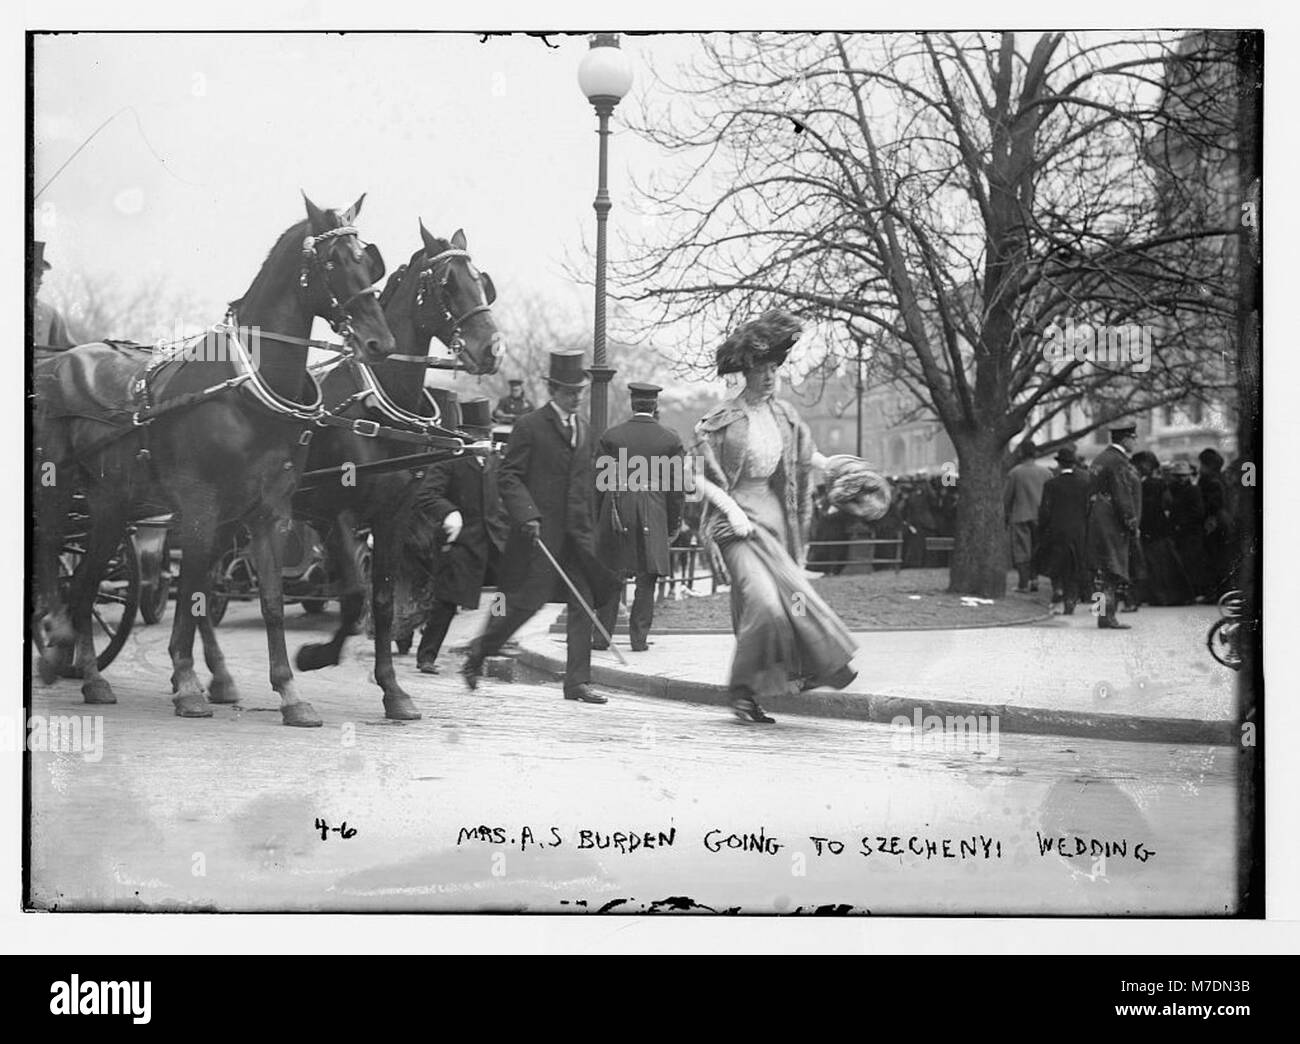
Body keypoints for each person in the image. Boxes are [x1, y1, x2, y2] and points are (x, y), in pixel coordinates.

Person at [692, 309, 889, 724]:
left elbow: (801, 455)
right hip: (735, 523)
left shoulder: (785, 415)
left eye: (773, 369)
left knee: (792, 604)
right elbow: (694, 478)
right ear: (745, 373)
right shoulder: (722, 419)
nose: (768, 377)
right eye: (760, 369)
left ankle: (783, 679)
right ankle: (742, 690)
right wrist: (728, 508)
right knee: (764, 603)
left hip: (775, 519)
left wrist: (828, 464)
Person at [461, 351, 619, 703]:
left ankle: (577, 683)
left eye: (579, 391)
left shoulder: (586, 431)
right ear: (552, 389)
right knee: (524, 604)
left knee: (584, 601)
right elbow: (510, 476)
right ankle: (478, 653)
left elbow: (587, 482)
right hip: (538, 536)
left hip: (576, 538)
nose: (575, 397)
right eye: (568, 391)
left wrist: (592, 529)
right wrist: (527, 515)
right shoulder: (530, 426)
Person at [402, 399, 509, 673]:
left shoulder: (497, 461)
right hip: (460, 542)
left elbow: (507, 495)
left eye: (485, 434)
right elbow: (426, 496)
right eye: (476, 434)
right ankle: (427, 656)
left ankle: (496, 641)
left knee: (504, 594)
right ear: (465, 434)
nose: (482, 439)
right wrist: (450, 513)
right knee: (447, 601)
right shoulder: (451, 461)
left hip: (495, 539)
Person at [593, 383, 685, 652]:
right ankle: (639, 640)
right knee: (648, 578)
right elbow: (677, 488)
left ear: (632, 403)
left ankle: (601, 637)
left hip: (616, 507)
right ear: (654, 405)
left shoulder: (611, 436)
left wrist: (598, 518)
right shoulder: (670, 439)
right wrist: (673, 523)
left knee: (612, 574)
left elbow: (598, 483)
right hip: (654, 509)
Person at [1085, 424, 1143, 629]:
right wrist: (1131, 523)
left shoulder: (1100, 458)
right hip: (1112, 521)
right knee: (1112, 569)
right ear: (1125, 439)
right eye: (1133, 438)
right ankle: (1108, 617)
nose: (1135, 442)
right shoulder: (1118, 462)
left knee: (1101, 571)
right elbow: (1123, 495)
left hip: (1097, 519)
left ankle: (1101, 615)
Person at [1035, 444, 1090, 614]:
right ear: (1074, 464)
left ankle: (1058, 588)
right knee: (1074, 567)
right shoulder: (1084, 484)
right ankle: (1071, 600)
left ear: (1059, 464)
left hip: (1057, 530)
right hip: (1078, 531)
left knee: (1058, 563)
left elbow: (1045, 510)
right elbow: (1088, 508)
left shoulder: (1051, 484)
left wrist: (1042, 528)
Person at [1003, 440, 1052, 592]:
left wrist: (1006, 515)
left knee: (1022, 551)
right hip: (1040, 517)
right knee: (1037, 549)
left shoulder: (1015, 473)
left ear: (1021, 453)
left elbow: (1007, 498)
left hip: (1020, 515)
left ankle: (1023, 584)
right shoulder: (1046, 473)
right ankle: (1035, 579)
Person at [1198, 447, 1233, 600]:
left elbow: (1213, 503)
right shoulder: (1220, 478)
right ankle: (1221, 593)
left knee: (1214, 557)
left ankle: (1215, 594)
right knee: (1222, 557)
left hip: (1215, 520)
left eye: (1202, 464)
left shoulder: (1209, 480)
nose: (1200, 468)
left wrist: (1209, 518)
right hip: (1223, 519)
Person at [30, 242, 75, 350]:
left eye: (40, 275)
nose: (40, 282)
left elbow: (70, 351)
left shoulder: (49, 313)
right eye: (35, 275)